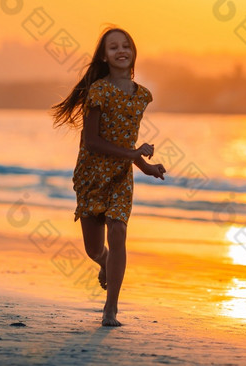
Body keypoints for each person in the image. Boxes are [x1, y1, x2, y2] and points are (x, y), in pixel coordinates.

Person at [51, 26, 166, 326]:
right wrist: (134, 155)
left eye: (126, 45)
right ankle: (105, 263)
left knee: (118, 233)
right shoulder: (98, 91)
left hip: (119, 178)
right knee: (93, 249)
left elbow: (126, 145)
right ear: (104, 56)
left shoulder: (142, 97)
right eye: (113, 47)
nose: (121, 50)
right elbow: (93, 142)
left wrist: (146, 166)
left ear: (133, 51)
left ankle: (110, 309)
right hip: (91, 176)